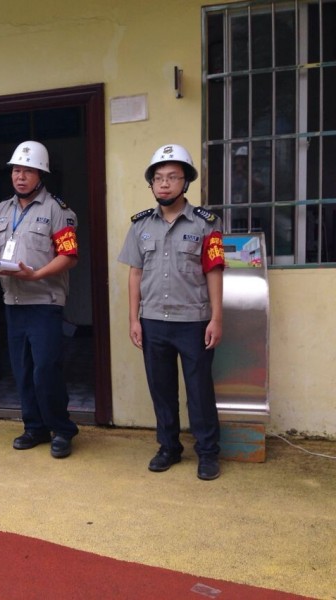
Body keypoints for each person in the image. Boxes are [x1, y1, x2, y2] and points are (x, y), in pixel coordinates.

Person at [117, 144, 226, 481]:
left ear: (185, 182)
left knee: (199, 392)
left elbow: (214, 271)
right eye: (158, 178)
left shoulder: (206, 223)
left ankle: (207, 452)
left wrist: (216, 318)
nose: (164, 184)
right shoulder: (140, 226)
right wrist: (134, 319)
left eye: (172, 177)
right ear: (151, 184)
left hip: (194, 322)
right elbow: (135, 273)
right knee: (161, 390)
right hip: (153, 321)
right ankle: (169, 447)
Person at [0, 141, 79, 459]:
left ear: (41, 174)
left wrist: (36, 275)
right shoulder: (2, 209)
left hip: (45, 302)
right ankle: (34, 427)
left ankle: (62, 429)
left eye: (28, 171)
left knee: (46, 369)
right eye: (16, 171)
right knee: (22, 370)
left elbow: (69, 256)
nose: (20, 177)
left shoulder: (57, 210)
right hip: (13, 303)